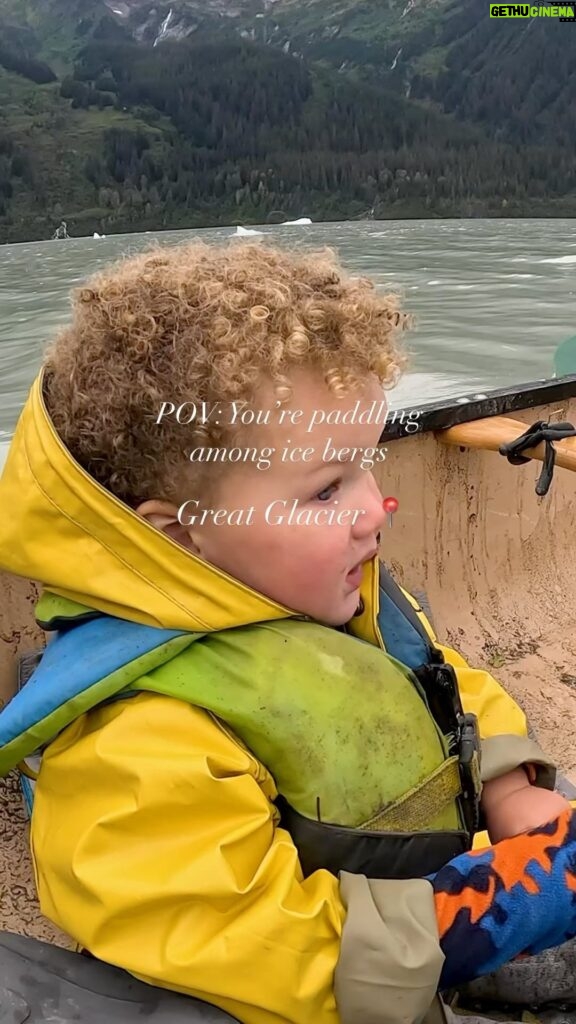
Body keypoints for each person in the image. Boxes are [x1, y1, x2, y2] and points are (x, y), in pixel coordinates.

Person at [0, 241, 574, 1024]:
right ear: (184, 534)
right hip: (335, 974)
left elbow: (440, 683)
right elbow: (270, 951)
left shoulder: (316, 587)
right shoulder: (130, 748)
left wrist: (512, 790)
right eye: (327, 488)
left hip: (414, 884)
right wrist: (484, 913)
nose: (375, 508)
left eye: (367, 465)